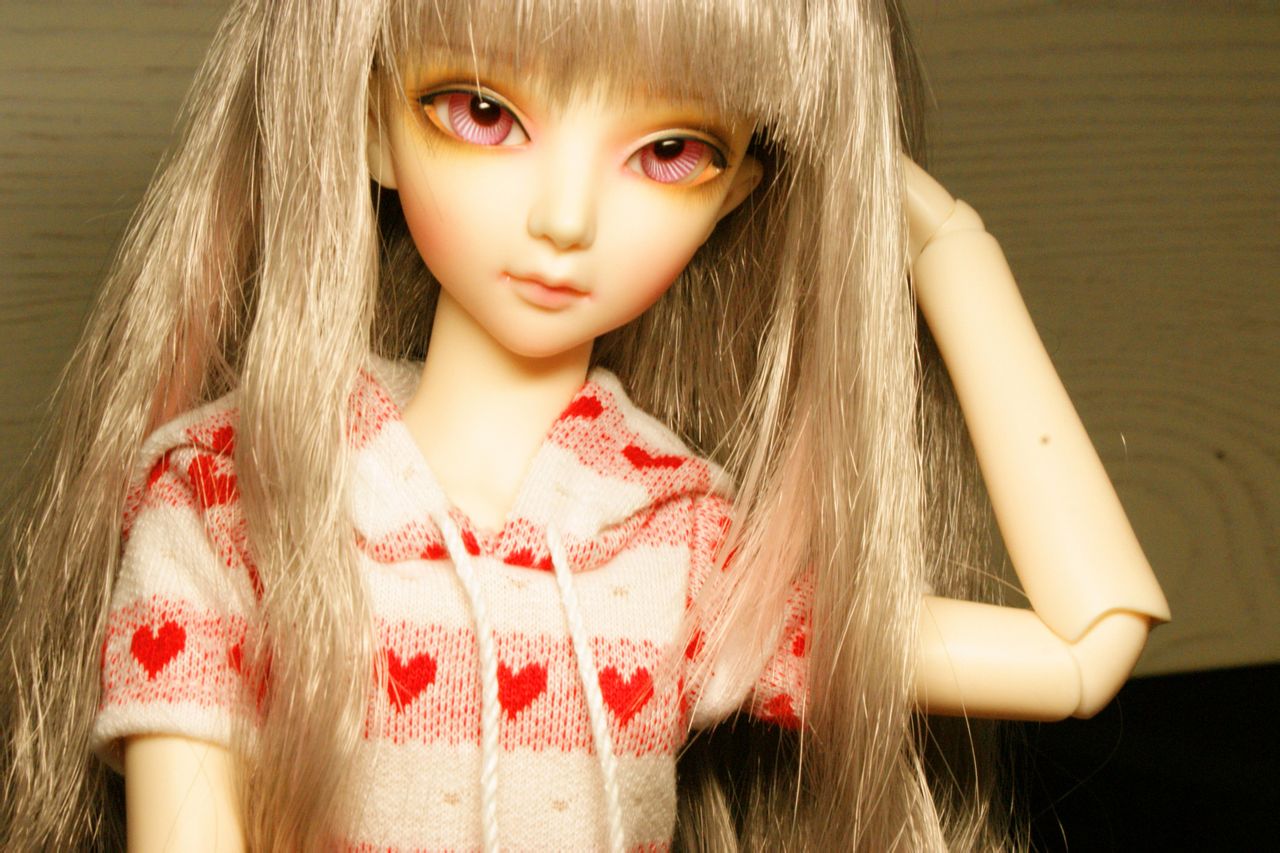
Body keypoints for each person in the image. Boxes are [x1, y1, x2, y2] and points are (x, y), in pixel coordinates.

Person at [0, 1, 1169, 850]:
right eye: (481, 111)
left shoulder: (678, 548)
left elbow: (1076, 653)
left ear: (737, 191)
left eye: (670, 152)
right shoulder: (231, 496)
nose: (563, 218)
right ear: (367, 124)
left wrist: (948, 257)